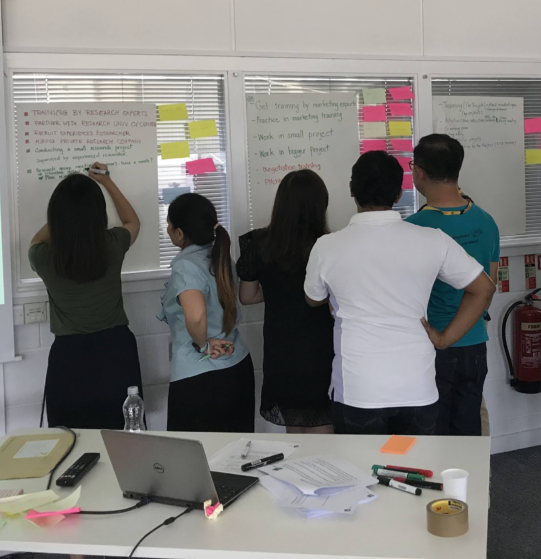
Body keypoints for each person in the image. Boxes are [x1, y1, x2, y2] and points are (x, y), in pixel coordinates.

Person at [303, 151, 497, 436]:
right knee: (415, 471)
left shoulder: (327, 246)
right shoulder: (432, 240)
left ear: (351, 189)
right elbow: (483, 288)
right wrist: (444, 339)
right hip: (417, 386)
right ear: (399, 194)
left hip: (358, 388)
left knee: (364, 474)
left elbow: (313, 298)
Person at [29, 164, 144, 430]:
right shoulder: (113, 244)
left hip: (69, 358)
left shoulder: (43, 256)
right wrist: (107, 182)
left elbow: (36, 240)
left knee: (70, 438)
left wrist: (66, 217)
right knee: (123, 436)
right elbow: (133, 222)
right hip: (116, 351)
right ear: (98, 214)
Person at [406, 134, 499, 436]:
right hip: (475, 344)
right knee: (468, 433)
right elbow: (489, 285)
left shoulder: (414, 228)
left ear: (418, 172)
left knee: (434, 435)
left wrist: (444, 337)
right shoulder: (486, 221)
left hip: (434, 345)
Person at [237, 170, 335, 434]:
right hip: (320, 347)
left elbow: (247, 297)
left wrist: (279, 291)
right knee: (322, 426)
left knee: (296, 430)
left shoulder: (258, 243)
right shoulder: (328, 245)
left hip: (281, 348)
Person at [160, 192, 254, 433]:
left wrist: (202, 345)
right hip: (237, 371)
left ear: (180, 233)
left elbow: (196, 315)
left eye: (169, 224)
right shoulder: (221, 257)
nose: (167, 228)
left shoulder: (185, 266)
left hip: (199, 379)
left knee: (194, 464)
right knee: (235, 460)